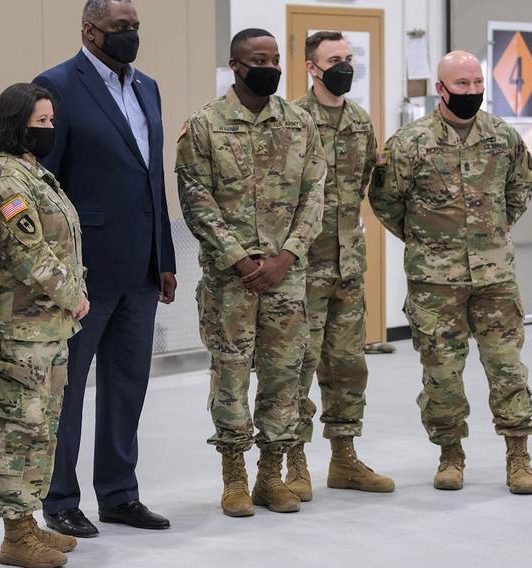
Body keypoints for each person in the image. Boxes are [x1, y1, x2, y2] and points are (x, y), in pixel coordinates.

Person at [33, 0, 177, 537]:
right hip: (84, 270)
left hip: (141, 266)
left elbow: (152, 179)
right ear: (90, 31)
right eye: (122, 28)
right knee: (67, 392)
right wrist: (58, 271)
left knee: (127, 386)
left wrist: (163, 256)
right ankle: (60, 499)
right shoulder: (56, 85)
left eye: (136, 27)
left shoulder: (148, 87)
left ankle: (119, 494)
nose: (132, 35)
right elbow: (44, 183)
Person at [369, 50, 532, 494]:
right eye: (461, 85)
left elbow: (520, 189)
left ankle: (518, 455)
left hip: (495, 278)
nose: (471, 91)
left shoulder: (503, 138)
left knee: (507, 369)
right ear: (440, 89)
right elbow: (386, 201)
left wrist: (491, 234)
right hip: (434, 283)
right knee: (442, 373)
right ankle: (450, 454)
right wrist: (427, 242)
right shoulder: (410, 143)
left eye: (477, 82)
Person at [175, 28, 325, 517]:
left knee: (285, 377)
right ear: (236, 67)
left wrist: (286, 257)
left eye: (276, 58)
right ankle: (234, 476)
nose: (270, 67)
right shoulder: (204, 126)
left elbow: (314, 196)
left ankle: (271, 475)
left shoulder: (300, 123)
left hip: (287, 276)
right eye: (259, 59)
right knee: (231, 376)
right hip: (230, 281)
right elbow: (196, 199)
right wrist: (241, 260)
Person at [0, 82, 88, 568]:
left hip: (50, 330)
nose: (49, 129)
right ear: (13, 123)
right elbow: (29, 252)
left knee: (42, 431)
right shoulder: (7, 180)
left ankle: (28, 522)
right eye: (39, 122)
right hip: (21, 332)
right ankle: (13, 533)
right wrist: (74, 296)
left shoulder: (37, 175)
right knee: (16, 430)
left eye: (50, 121)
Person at [288, 31, 394, 501]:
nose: (345, 67)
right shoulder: (291, 120)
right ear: (312, 67)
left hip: (348, 266)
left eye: (349, 59)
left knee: (348, 366)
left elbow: (371, 187)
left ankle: (344, 458)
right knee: (296, 367)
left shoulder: (359, 121)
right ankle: (292, 462)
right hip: (302, 270)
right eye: (335, 60)